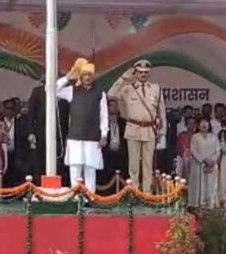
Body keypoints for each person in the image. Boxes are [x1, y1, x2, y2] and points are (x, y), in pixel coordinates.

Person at [108, 59, 166, 193]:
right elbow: (111, 93)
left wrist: (162, 131)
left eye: (145, 72)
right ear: (136, 73)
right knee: (133, 165)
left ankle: (147, 194)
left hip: (150, 130)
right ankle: (134, 193)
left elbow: (161, 111)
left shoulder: (156, 89)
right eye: (140, 72)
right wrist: (123, 78)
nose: (143, 74)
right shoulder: (128, 88)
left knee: (148, 165)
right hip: (133, 128)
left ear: (149, 73)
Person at [56, 59, 108, 191]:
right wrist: (68, 77)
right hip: (75, 137)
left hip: (92, 137)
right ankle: (75, 196)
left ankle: (90, 196)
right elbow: (52, 90)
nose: (87, 77)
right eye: (84, 74)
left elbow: (104, 116)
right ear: (80, 76)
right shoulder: (72, 90)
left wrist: (104, 135)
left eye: (90, 75)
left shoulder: (100, 93)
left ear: (93, 76)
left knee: (90, 169)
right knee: (75, 167)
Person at [27, 78, 69, 182]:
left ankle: (58, 186)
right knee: (40, 162)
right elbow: (31, 114)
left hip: (59, 134)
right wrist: (31, 132)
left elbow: (68, 114)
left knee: (58, 162)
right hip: (41, 133)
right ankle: (39, 186)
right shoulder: (37, 91)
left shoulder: (64, 92)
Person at [188, 117, 220, 208]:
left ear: (209, 124)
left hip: (212, 165)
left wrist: (212, 161)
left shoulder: (214, 137)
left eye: (206, 122)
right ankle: (197, 205)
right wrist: (205, 160)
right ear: (198, 126)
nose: (204, 124)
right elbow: (193, 150)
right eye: (201, 122)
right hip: (199, 164)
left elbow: (218, 150)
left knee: (211, 184)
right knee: (198, 185)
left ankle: (210, 205)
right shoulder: (195, 137)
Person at [100, 99, 128, 186]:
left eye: (116, 106)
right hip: (107, 154)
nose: (114, 108)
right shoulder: (103, 122)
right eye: (112, 105)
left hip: (120, 153)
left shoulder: (123, 122)